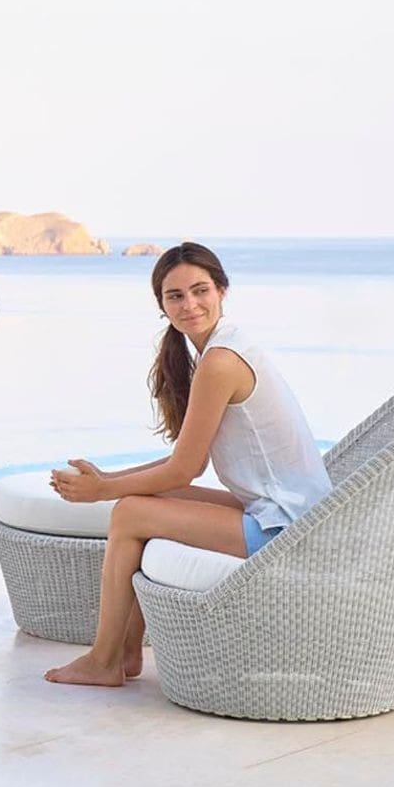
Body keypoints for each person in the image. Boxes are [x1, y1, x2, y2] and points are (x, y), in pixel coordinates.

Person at [44, 240, 331, 687]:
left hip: (290, 529)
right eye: (175, 295)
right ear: (161, 304)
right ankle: (124, 651)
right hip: (277, 512)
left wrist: (103, 492)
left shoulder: (221, 362)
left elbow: (186, 469)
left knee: (130, 511)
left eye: (200, 291)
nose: (190, 304)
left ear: (222, 291)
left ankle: (106, 659)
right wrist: (108, 478)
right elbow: (182, 462)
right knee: (141, 498)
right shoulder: (213, 351)